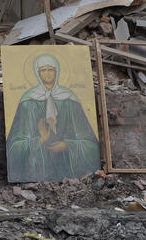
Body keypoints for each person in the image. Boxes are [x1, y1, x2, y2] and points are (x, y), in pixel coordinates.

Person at [6, 53, 101, 182]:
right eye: (43, 70)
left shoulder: (70, 100)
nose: (47, 74)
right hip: (39, 167)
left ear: (57, 72)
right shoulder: (27, 102)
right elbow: (14, 146)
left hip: (68, 165)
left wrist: (68, 145)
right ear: (37, 73)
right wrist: (40, 140)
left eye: (51, 69)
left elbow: (90, 143)